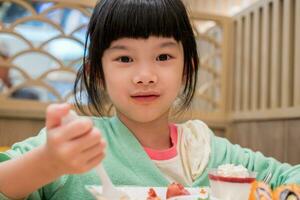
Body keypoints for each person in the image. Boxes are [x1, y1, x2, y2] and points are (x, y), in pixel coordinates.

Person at [0, 0, 299, 199]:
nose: (145, 75)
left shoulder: (210, 152)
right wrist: (47, 163)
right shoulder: (78, 143)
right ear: (98, 73)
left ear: (187, 68)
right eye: (125, 57)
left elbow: (290, 176)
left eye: (163, 56)